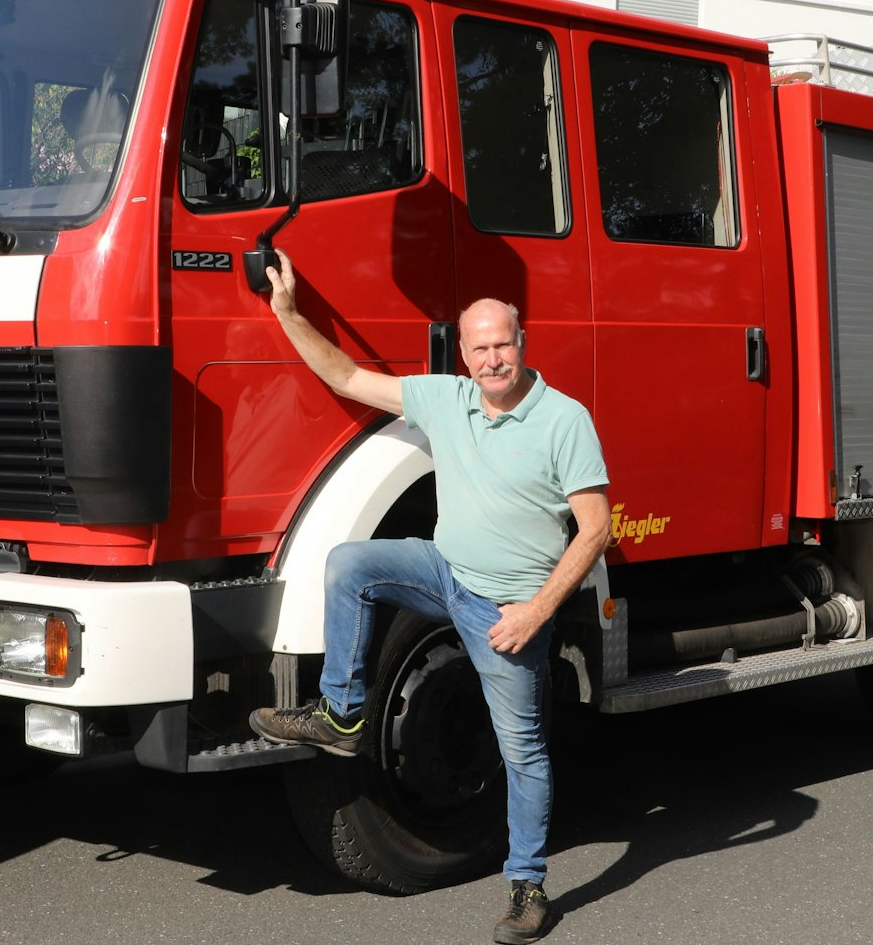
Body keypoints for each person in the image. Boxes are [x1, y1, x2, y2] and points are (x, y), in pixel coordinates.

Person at [250, 251, 610, 945]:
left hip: (509, 610)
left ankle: (528, 887)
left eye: (502, 345)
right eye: (479, 348)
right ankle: (342, 715)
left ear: (522, 342)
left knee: (524, 753)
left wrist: (536, 612)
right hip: (445, 572)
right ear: (464, 352)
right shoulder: (447, 398)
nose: (492, 360)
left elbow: (595, 529)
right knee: (350, 563)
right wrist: (287, 312)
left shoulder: (565, 420)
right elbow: (346, 376)